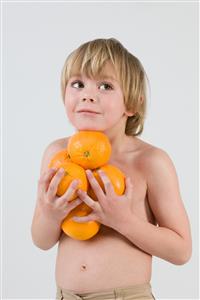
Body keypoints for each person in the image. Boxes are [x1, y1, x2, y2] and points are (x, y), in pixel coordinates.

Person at [31, 38, 192, 300]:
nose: (87, 94)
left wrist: (123, 221)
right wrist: (50, 215)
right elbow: (41, 240)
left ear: (132, 104)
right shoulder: (57, 155)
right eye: (77, 84)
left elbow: (181, 250)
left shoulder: (150, 162)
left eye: (105, 86)